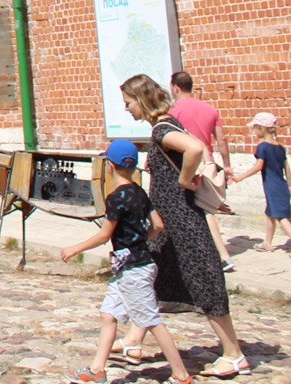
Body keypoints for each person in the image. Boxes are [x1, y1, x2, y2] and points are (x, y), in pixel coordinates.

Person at [116, 74, 249, 378]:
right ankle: (134, 341)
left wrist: (184, 179)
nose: (127, 109)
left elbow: (194, 148)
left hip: (183, 221)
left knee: (204, 281)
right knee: (150, 279)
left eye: (129, 103)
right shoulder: (165, 125)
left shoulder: (163, 128)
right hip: (168, 223)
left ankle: (233, 353)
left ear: (143, 100)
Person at [60, 139, 195, 384]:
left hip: (134, 270)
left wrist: (75, 248)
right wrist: (143, 239)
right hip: (132, 266)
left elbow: (105, 234)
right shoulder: (139, 192)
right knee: (108, 314)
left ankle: (181, 374)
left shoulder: (116, 198)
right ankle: (97, 370)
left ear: (109, 166)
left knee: (151, 320)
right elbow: (159, 225)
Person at [168, 70, 235, 272]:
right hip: (208, 163)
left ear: (175, 87)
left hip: (187, 165)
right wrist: (227, 164)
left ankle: (223, 256)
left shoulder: (174, 111)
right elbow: (221, 140)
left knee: (203, 210)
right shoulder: (210, 109)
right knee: (200, 208)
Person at [228, 112, 291, 257]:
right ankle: (267, 243)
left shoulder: (262, 146)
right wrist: (289, 185)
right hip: (281, 184)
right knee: (270, 213)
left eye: (255, 128)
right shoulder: (280, 147)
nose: (254, 131)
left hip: (272, 185)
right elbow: (286, 166)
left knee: (279, 216)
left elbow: (259, 166)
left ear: (261, 128)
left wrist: (240, 177)